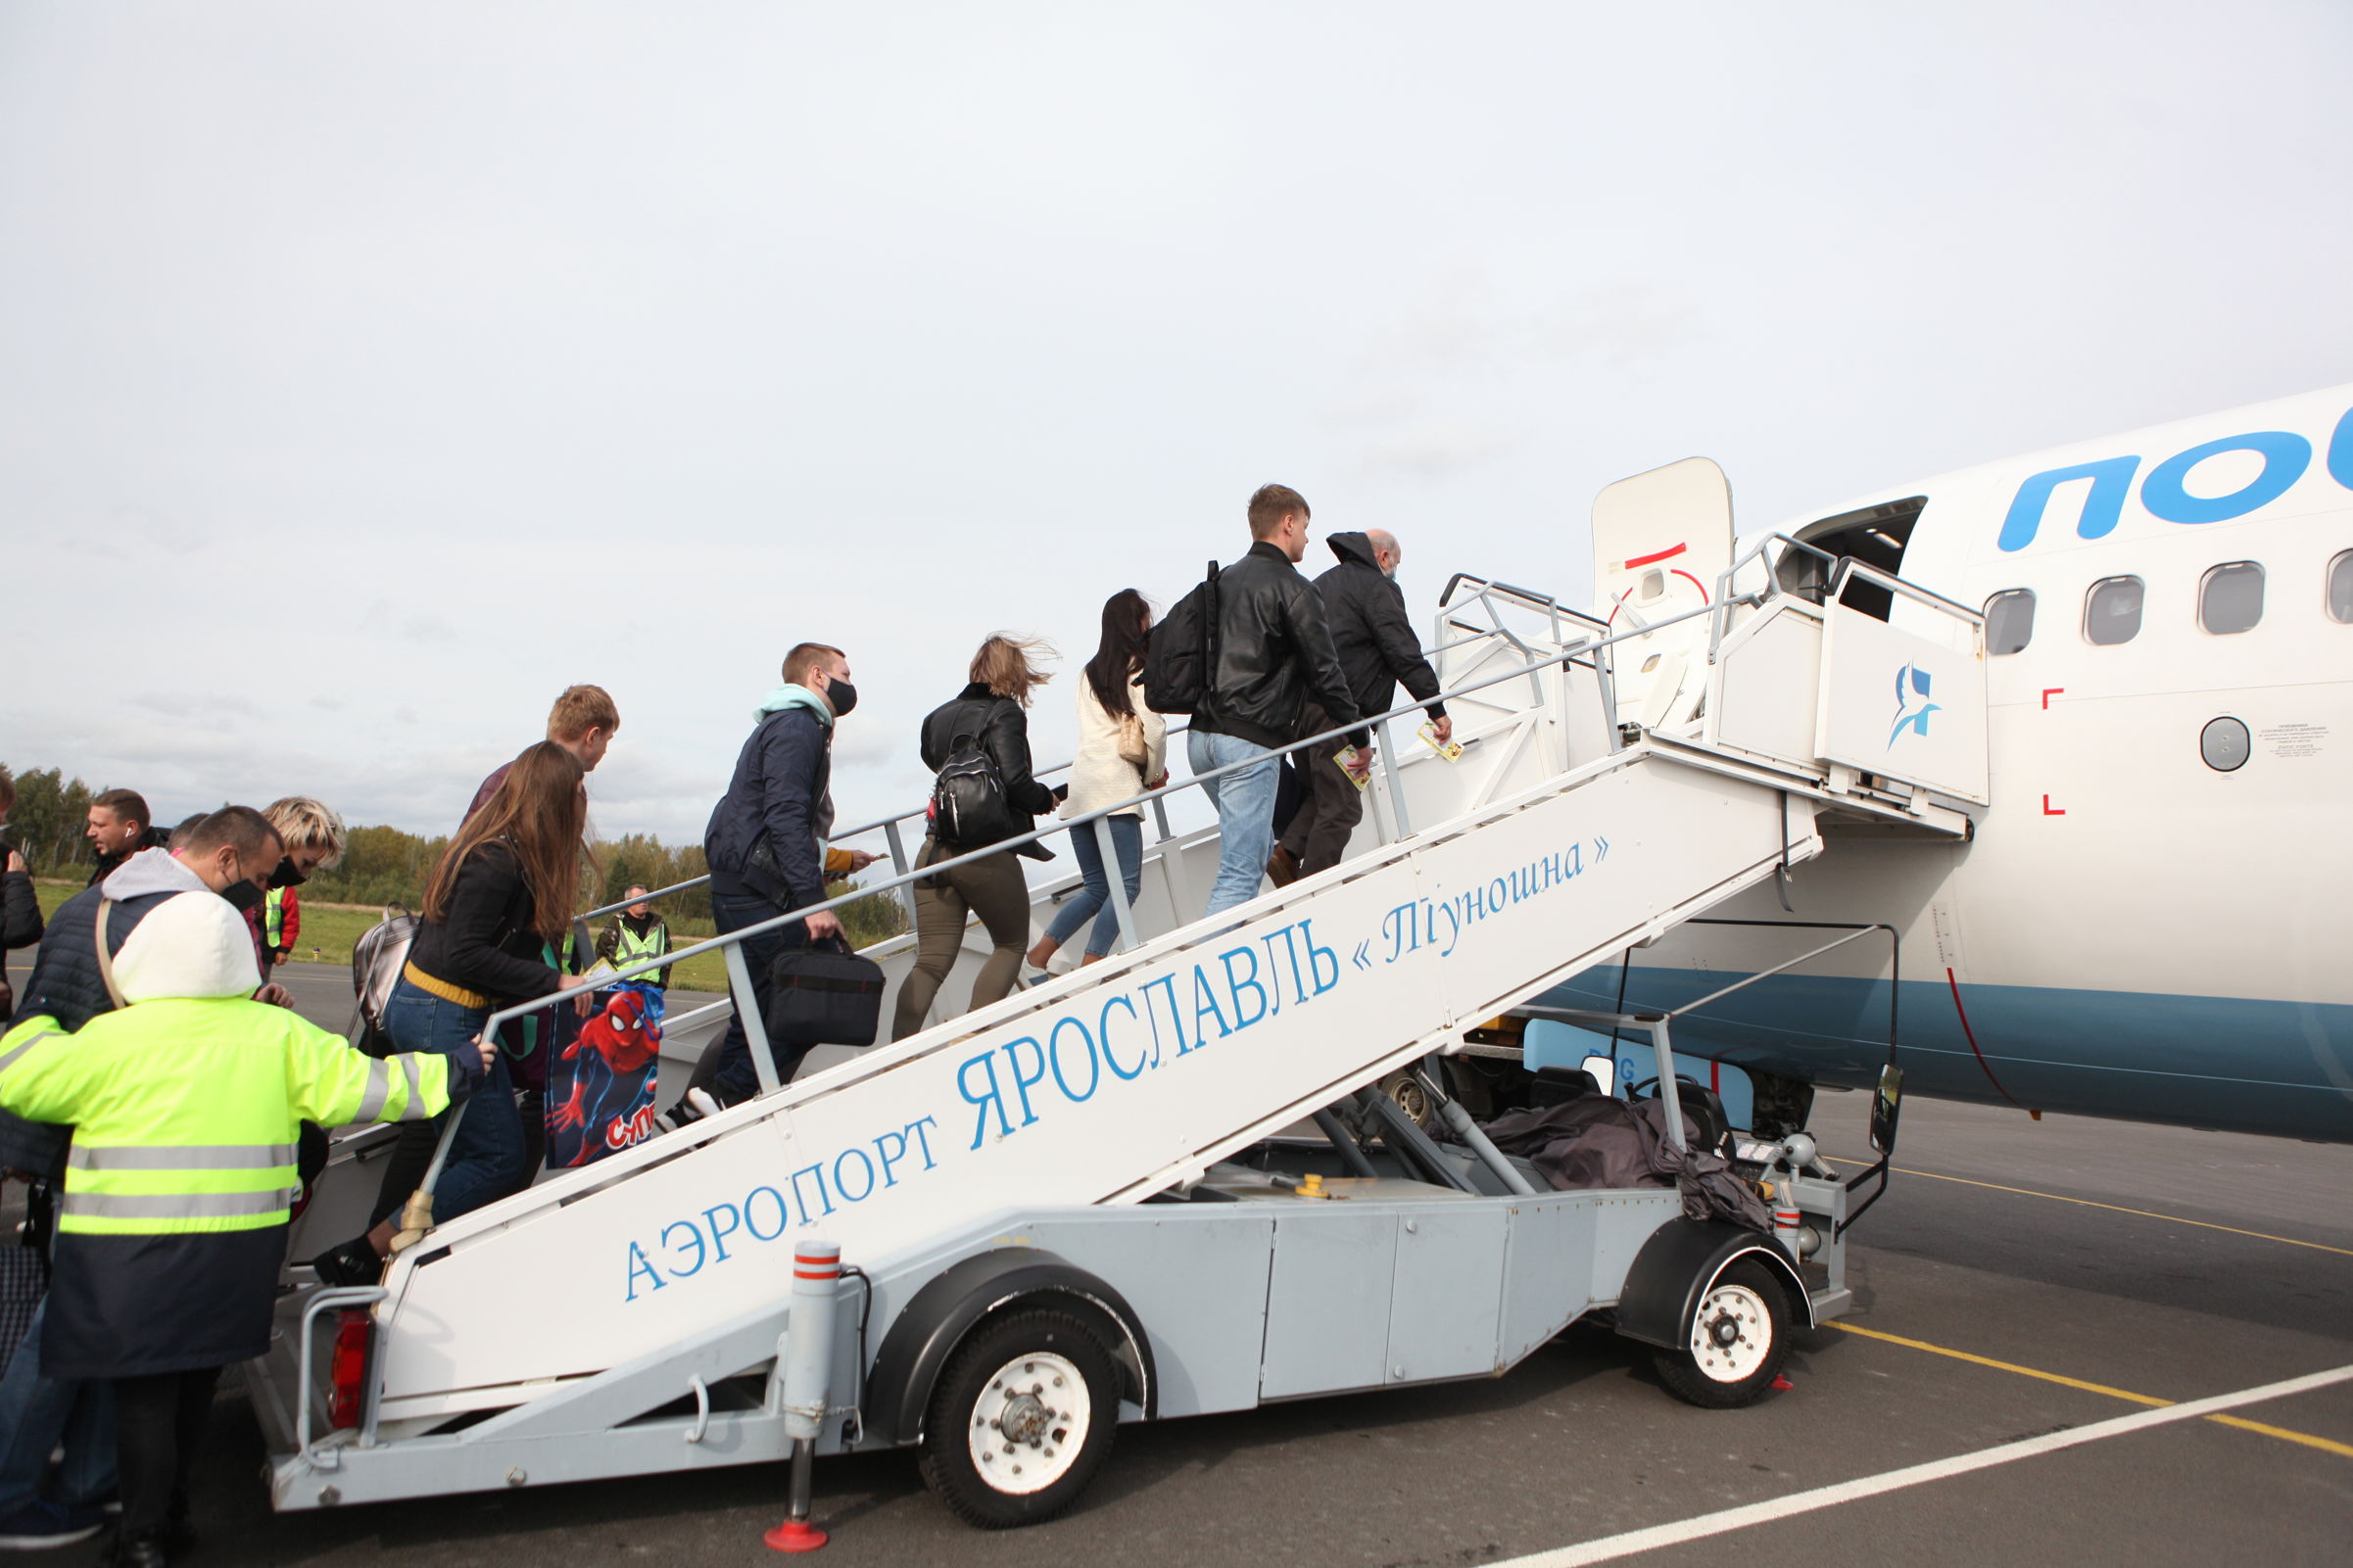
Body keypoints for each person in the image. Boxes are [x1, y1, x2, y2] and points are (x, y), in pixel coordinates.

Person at [0, 890, 476, 1568]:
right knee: (197, 1382)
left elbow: (18, 1077)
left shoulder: (110, 1039)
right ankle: (173, 1516)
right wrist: (458, 1067)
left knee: (144, 1398)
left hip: (123, 1255)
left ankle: (139, 1538)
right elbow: (374, 1086)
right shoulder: (278, 1035)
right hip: (236, 1251)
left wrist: (38, 1019)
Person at [0, 806, 287, 1551]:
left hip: (71, 1136)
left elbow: (48, 1021)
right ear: (224, 860)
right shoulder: (173, 917)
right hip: (123, 1156)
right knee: (68, 1329)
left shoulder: (100, 896)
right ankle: (14, 1489)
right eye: (255, 879)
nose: (256, 897)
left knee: (98, 1336)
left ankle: (88, 1481)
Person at [312, 743, 599, 1286]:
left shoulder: (509, 854)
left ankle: (383, 1259)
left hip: (445, 1009)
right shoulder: (495, 860)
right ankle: (367, 1254)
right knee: (496, 1158)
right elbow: (466, 953)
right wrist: (553, 980)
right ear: (552, 800)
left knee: (452, 1145)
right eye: (576, 796)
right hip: (439, 1011)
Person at [696, 643, 878, 1109]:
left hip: (742, 885)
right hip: (758, 889)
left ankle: (694, 1114)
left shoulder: (787, 724)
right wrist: (811, 902)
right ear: (818, 675)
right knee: (814, 1004)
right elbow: (785, 818)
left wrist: (822, 866)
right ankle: (730, 1096)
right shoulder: (799, 727)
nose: (850, 683)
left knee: (753, 1015)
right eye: (845, 673)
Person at [1187, 484, 1364, 916]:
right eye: (1304, 526)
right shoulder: (1295, 588)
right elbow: (1325, 673)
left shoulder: (1219, 581)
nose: (1306, 537)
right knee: (1239, 875)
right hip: (1246, 740)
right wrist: (1357, 735)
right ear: (1288, 523)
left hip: (1199, 740)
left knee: (1257, 849)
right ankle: (1213, 968)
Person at [893, 636, 1062, 1041]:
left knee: (931, 962)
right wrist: (1045, 798)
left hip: (935, 849)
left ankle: (895, 1056)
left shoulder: (936, 718)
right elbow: (1015, 781)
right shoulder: (1005, 712)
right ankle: (969, 1039)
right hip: (986, 853)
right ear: (1013, 674)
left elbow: (938, 765)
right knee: (1010, 943)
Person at [1270, 529, 1452, 883]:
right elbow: (1401, 650)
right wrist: (1435, 708)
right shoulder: (1376, 586)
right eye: (1395, 564)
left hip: (1300, 713)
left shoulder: (1320, 584)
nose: (1395, 571)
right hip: (1338, 712)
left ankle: (1287, 852)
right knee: (1341, 806)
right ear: (1383, 558)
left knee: (1322, 795)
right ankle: (1311, 891)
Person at [1029, 593, 1167, 974]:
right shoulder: (1136, 666)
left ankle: (1039, 955)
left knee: (1095, 887)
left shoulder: (1087, 673)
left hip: (1081, 786)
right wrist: (1154, 774)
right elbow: (1153, 728)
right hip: (1114, 790)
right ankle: (1093, 964)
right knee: (1126, 885)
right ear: (1137, 623)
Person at [465, 684, 620, 820]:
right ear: (592, 736)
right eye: (607, 739)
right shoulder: (510, 780)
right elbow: (478, 850)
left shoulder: (575, 789)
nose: (606, 750)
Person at [248, 796, 347, 976]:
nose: (303, 875)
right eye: (305, 863)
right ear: (285, 839)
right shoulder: (235, 892)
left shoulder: (256, 893)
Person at [0, 770, 42, 1022]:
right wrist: (16, 879)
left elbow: (22, 930)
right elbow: (19, 930)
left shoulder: (8, 857)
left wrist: (16, 880)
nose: (4, 817)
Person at [82, 791, 166, 887]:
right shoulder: (106, 864)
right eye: (91, 824)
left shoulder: (162, 873)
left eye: (100, 825)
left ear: (131, 828)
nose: (90, 833)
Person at [595, 886, 671, 990]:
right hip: (623, 986)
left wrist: (662, 984)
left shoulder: (660, 924)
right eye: (639, 898)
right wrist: (613, 984)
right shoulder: (617, 923)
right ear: (628, 901)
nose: (644, 902)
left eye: (647, 898)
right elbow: (603, 954)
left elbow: (667, 955)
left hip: (652, 988)